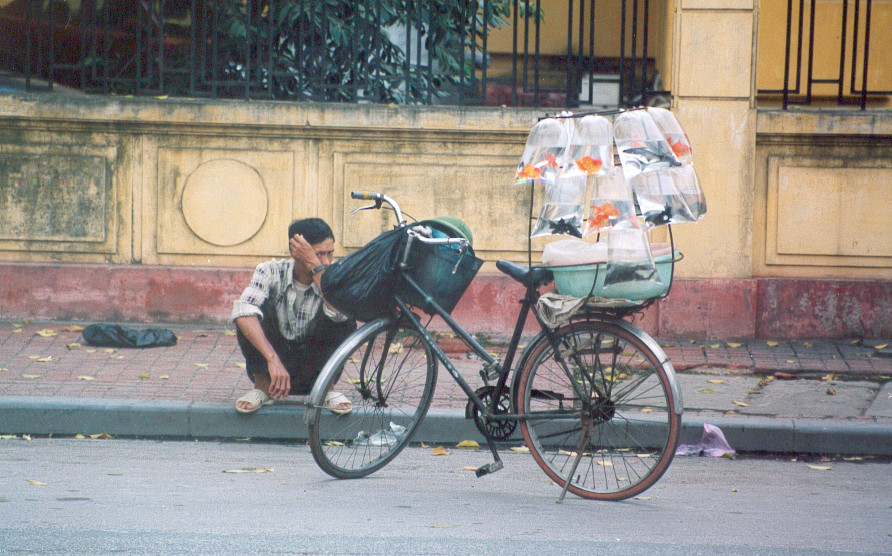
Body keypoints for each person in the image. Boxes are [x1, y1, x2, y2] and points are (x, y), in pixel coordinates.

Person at [232, 218, 356, 414]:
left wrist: (315, 266)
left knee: (345, 316)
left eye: (330, 253)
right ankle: (261, 388)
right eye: (318, 254)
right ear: (295, 252)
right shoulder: (270, 271)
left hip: (317, 370)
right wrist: (272, 359)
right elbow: (244, 312)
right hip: (274, 371)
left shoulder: (335, 274)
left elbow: (340, 315)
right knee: (247, 314)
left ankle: (328, 390)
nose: (326, 261)